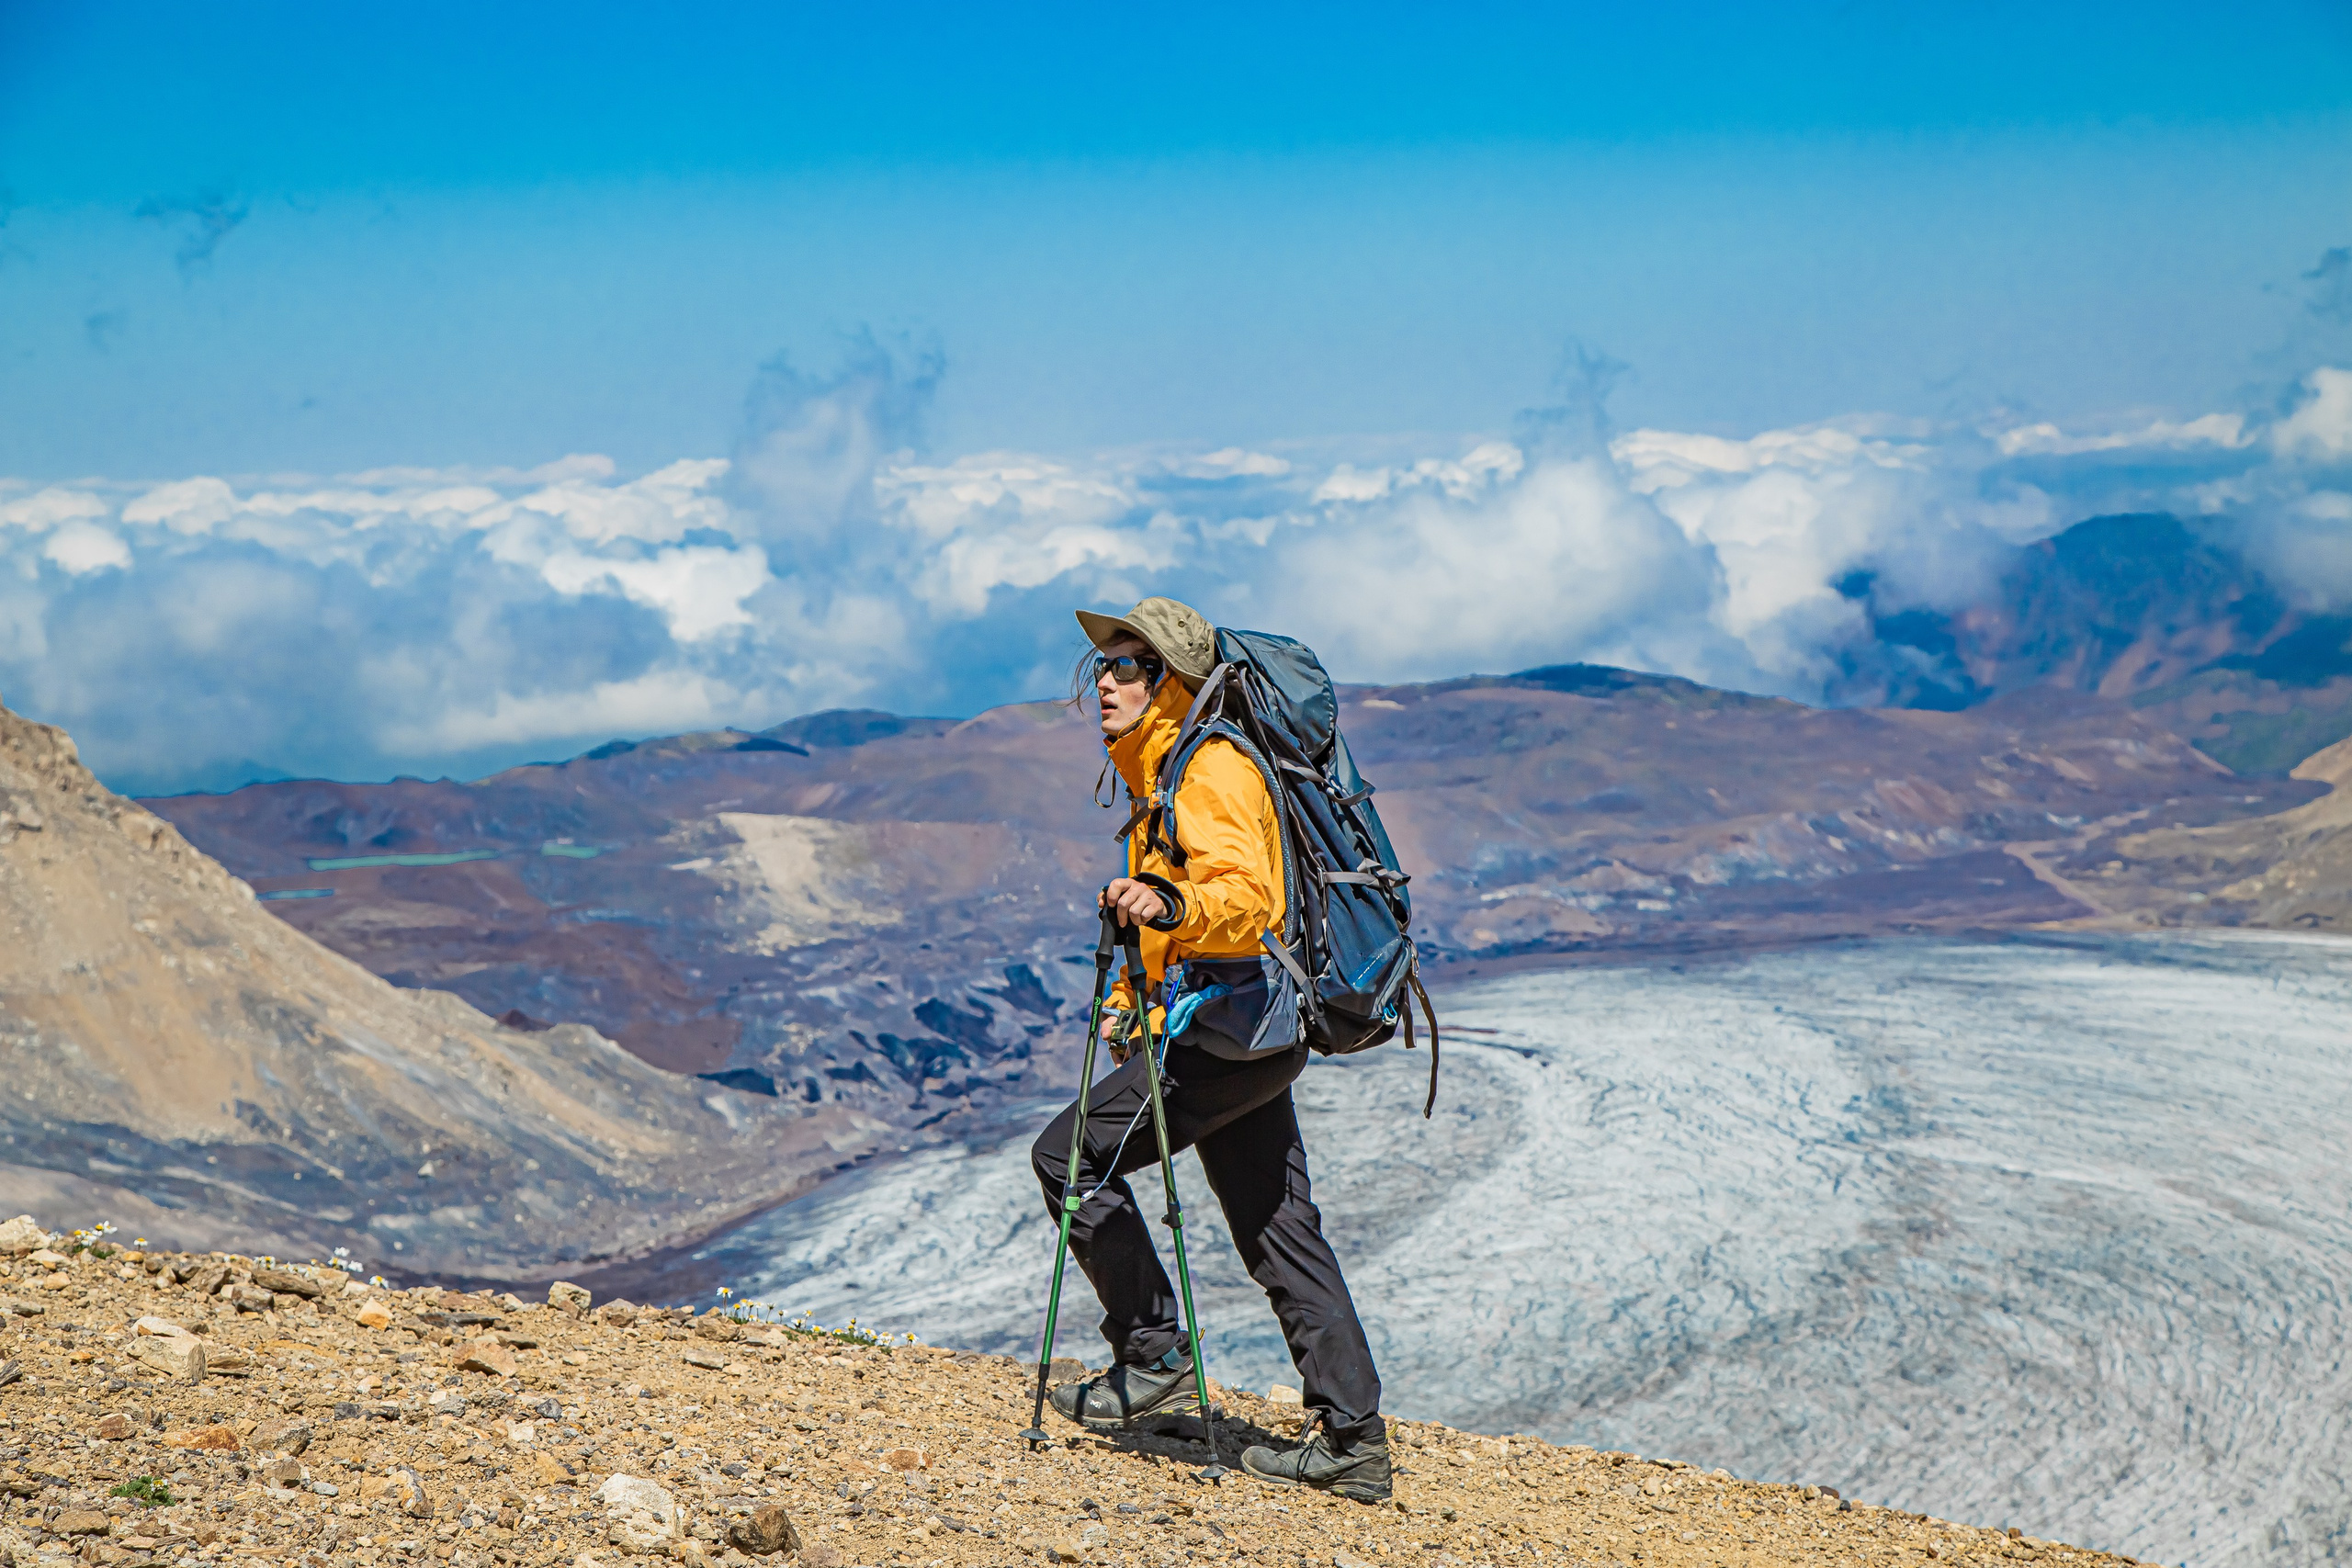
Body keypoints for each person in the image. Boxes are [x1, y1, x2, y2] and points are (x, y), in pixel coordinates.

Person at [1030, 595, 1392, 1503]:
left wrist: (1173, 910)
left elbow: (1244, 898)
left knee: (1069, 1156)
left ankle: (1152, 1358)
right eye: (1099, 667)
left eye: (1123, 666)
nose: (1102, 682)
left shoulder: (1209, 769)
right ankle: (1352, 1439)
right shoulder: (1169, 770)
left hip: (1228, 1034)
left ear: (1170, 683)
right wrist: (1133, 988)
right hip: (1251, 1034)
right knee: (1278, 1228)